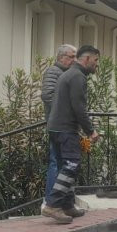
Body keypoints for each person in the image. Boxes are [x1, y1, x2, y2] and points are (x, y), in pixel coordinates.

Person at [43, 45, 101, 223]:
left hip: (55, 127)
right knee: (71, 165)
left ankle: (67, 206)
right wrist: (91, 131)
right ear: (86, 59)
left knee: (64, 166)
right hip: (66, 129)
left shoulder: (68, 74)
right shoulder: (77, 76)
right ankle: (53, 205)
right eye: (96, 60)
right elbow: (79, 107)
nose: (97, 64)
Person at [40, 44, 77, 206]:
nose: (74, 60)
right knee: (57, 162)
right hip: (57, 125)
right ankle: (52, 201)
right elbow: (47, 95)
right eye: (71, 57)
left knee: (64, 163)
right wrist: (66, 112)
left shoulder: (65, 73)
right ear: (61, 57)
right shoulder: (53, 71)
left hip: (63, 125)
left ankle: (62, 201)